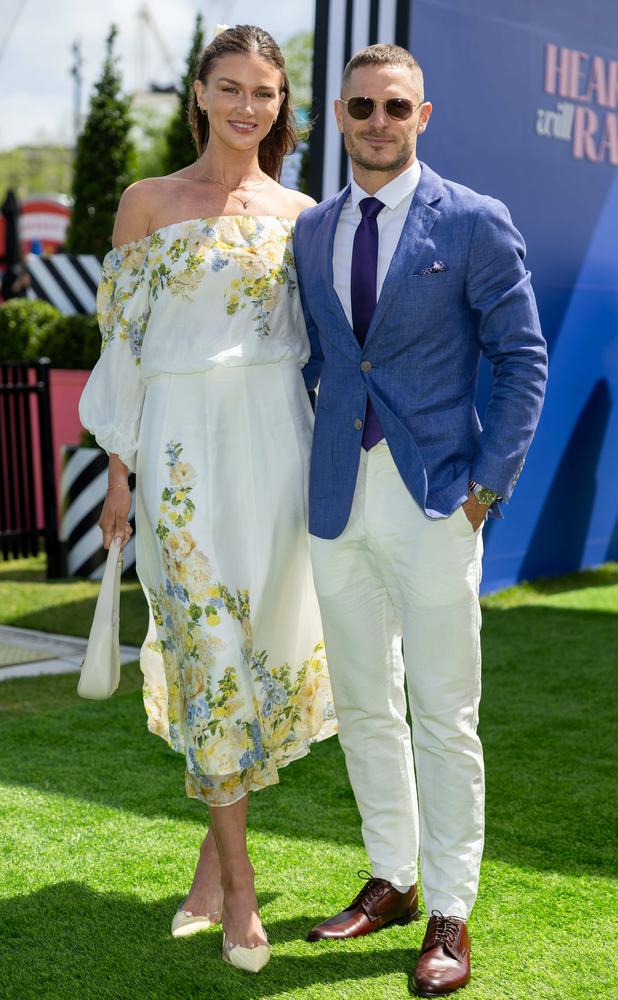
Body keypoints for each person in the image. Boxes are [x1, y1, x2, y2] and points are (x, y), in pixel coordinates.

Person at [79, 24, 335, 975]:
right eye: (229, 87)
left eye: (264, 92)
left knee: (262, 651)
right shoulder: (147, 203)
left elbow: (323, 350)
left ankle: (207, 869)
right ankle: (241, 892)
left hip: (276, 448)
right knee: (208, 648)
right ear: (198, 93)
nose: (246, 107)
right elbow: (125, 346)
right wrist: (119, 473)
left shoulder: (302, 212)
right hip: (182, 452)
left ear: (280, 106)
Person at [293, 44, 547, 997]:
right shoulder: (313, 233)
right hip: (335, 504)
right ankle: (392, 880)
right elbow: (325, 361)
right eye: (361, 106)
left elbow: (523, 362)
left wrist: (486, 488)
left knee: (442, 714)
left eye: (395, 106)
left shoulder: (476, 222)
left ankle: (450, 907)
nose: (377, 121)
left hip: (439, 497)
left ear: (424, 115)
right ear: (341, 114)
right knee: (363, 705)